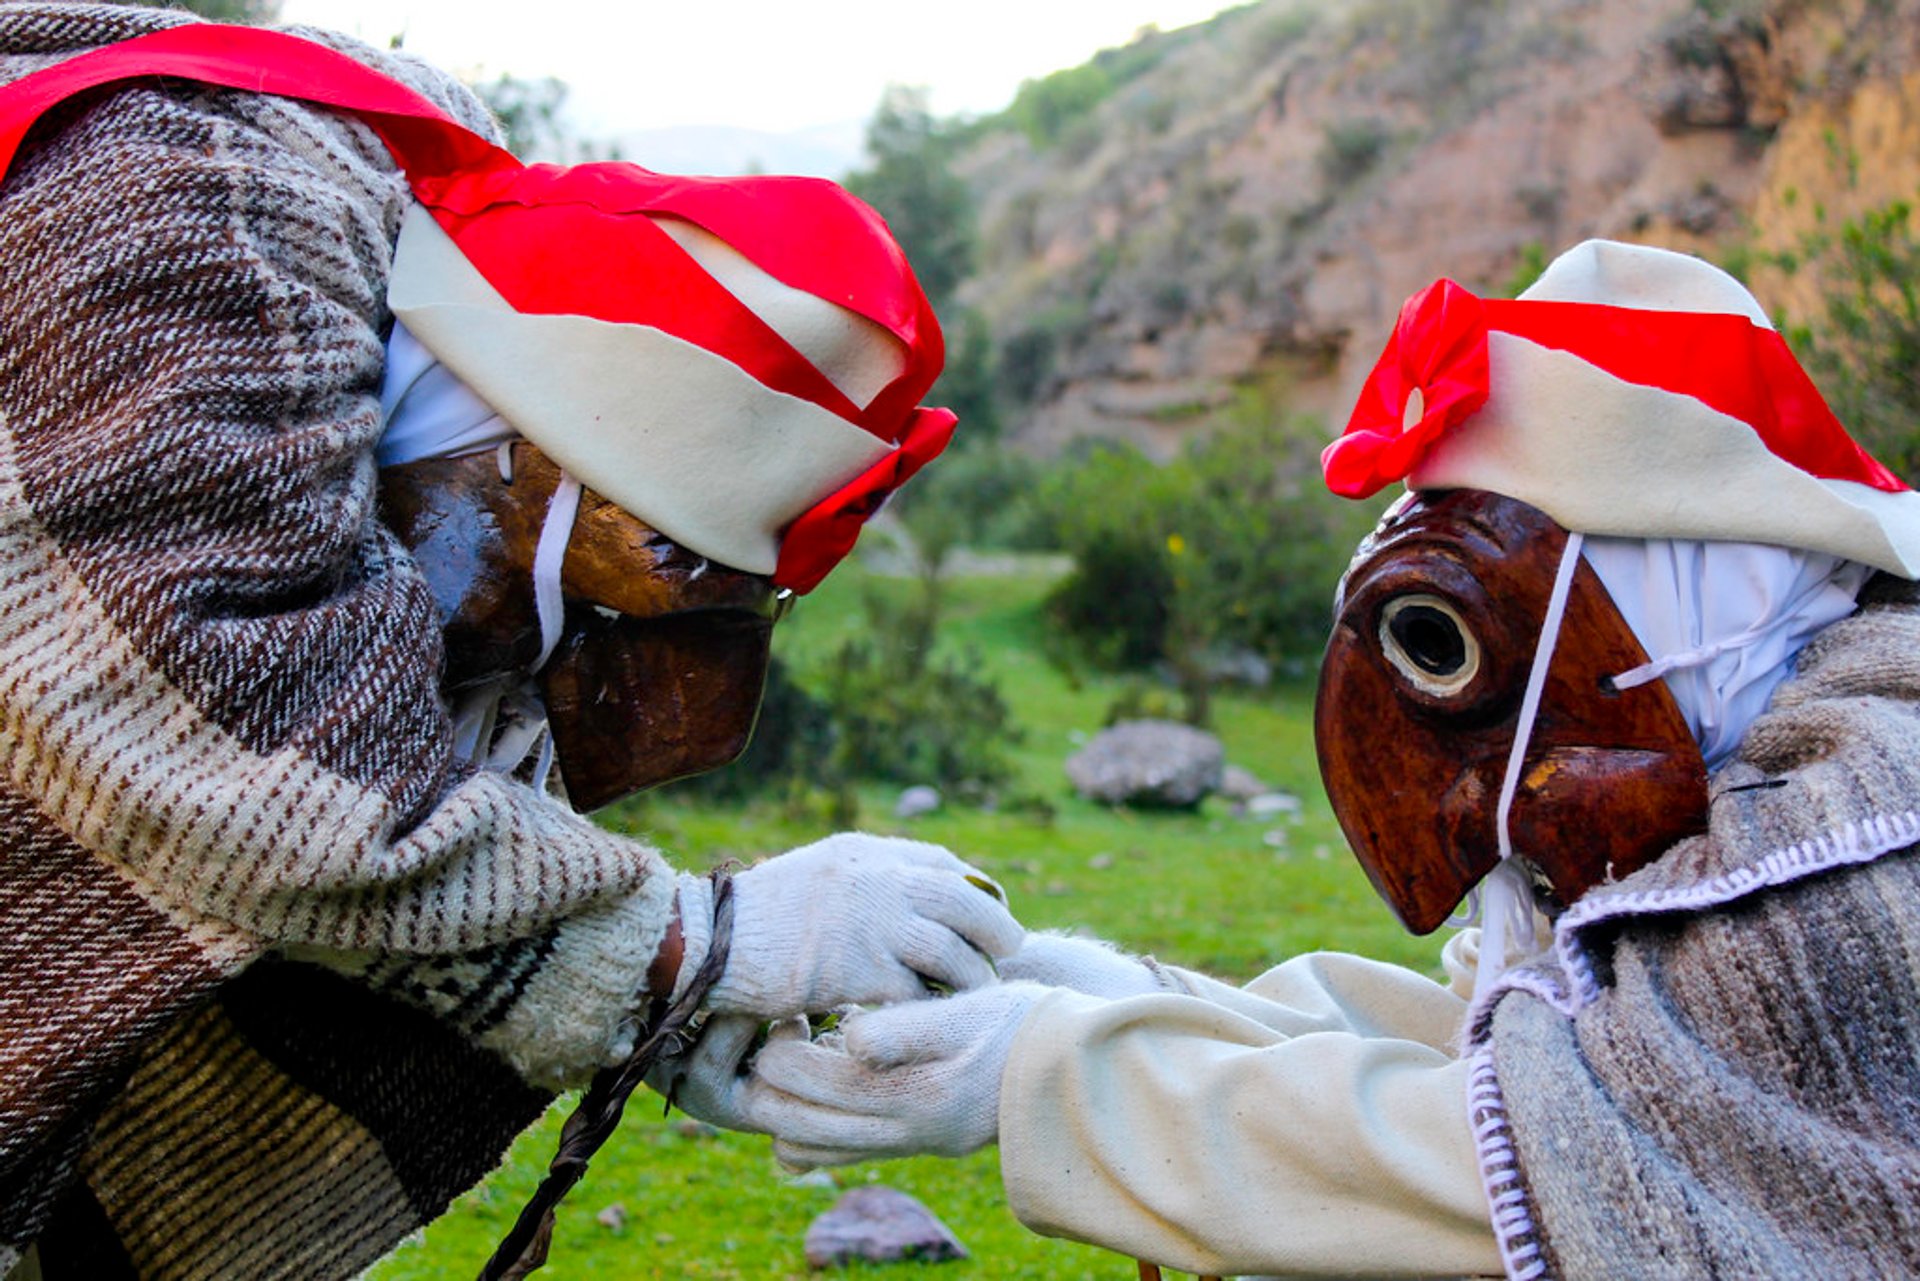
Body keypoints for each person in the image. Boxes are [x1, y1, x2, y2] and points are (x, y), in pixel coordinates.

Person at [672, 239, 1920, 1279]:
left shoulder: (1854, 840)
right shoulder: (1748, 742)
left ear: (1679, 586)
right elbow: (1505, 1055)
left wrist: (1040, 1080)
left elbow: (1553, 1167)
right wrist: (1090, 997)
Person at [0, 6, 1018, 1279]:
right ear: (536, 458)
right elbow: (218, 734)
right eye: (636, 584)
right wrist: (687, 952)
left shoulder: (406, 323)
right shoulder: (197, 207)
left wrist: (668, 1010)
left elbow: (426, 832)